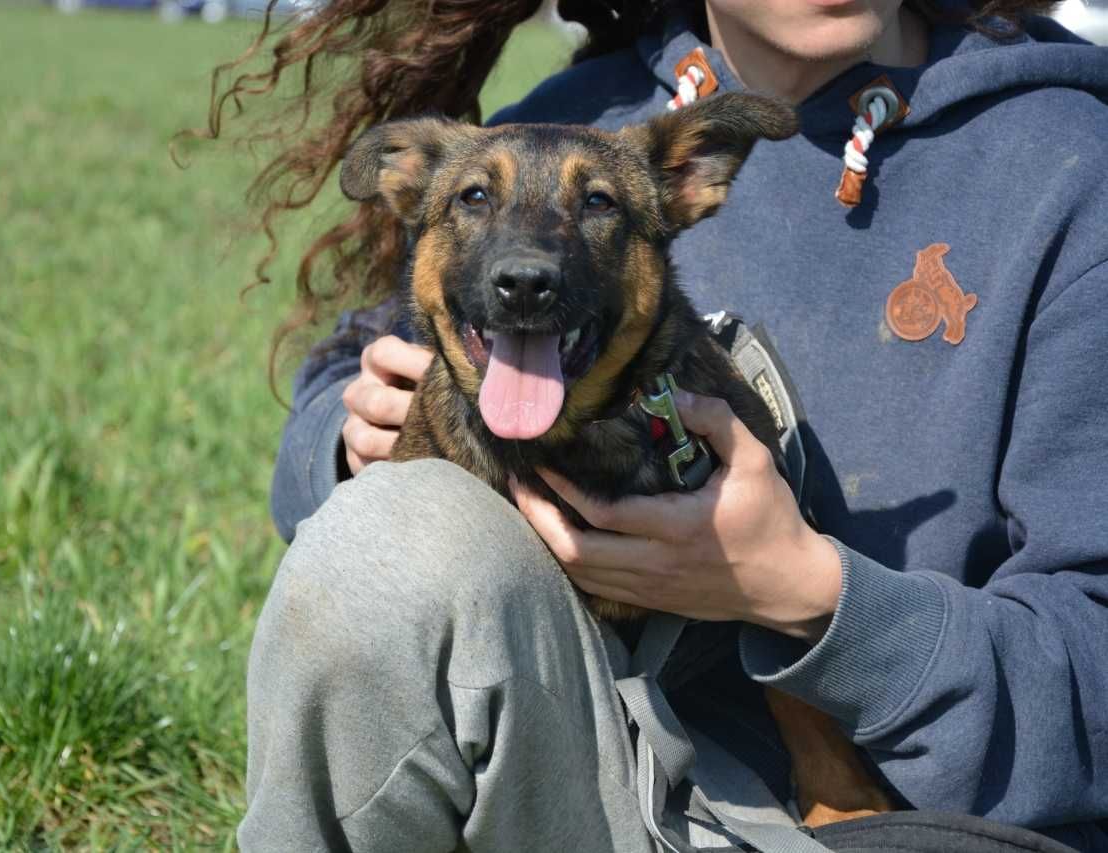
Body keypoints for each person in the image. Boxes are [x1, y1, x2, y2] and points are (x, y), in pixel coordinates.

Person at [222, 0, 1108, 849]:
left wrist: (804, 592)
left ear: (694, 181)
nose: (533, 249)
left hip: (905, 822)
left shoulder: (1066, 167)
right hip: (571, 778)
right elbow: (342, 381)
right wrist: (352, 440)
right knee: (384, 538)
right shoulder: (568, 124)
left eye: (598, 210)